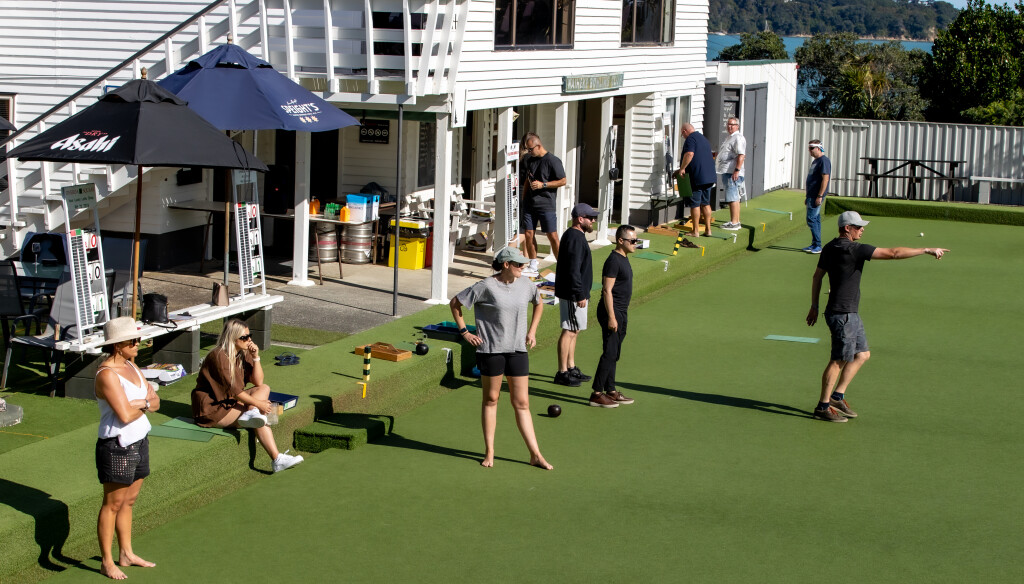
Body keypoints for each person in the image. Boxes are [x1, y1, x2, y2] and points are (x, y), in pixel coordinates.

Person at [806, 211, 949, 422]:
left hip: (847, 313)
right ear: (847, 228)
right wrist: (926, 249)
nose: (862, 229)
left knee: (862, 354)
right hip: (843, 315)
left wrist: (814, 306)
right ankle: (822, 406)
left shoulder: (829, 247)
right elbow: (893, 253)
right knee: (838, 361)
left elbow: (817, 276)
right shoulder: (853, 249)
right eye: (858, 226)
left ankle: (837, 396)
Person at [450, 247, 552, 469]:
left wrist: (532, 331)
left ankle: (535, 454)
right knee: (491, 399)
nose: (523, 267)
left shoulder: (526, 284)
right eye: (519, 264)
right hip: (491, 351)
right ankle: (490, 451)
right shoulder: (486, 286)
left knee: (522, 402)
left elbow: (539, 303)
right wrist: (465, 333)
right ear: (506, 265)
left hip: (518, 350)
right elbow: (455, 303)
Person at [191, 319, 304, 472]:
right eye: (244, 337)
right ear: (232, 338)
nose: (249, 340)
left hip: (230, 401)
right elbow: (235, 392)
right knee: (264, 412)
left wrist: (256, 357)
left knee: (265, 389)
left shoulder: (243, 352)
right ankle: (277, 459)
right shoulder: (218, 356)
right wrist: (259, 404)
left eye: (249, 336)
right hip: (212, 408)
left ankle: (252, 414)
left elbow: (258, 381)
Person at [94, 316, 159, 580]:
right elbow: (123, 414)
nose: (138, 344)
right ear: (117, 345)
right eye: (133, 340)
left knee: (129, 501)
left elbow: (156, 401)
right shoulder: (106, 374)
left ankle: (126, 553)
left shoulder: (132, 365)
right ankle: (107, 562)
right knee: (112, 504)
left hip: (140, 440)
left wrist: (142, 403)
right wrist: (144, 404)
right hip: (116, 447)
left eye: (138, 339)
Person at [589, 225, 639, 408]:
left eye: (636, 240)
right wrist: (612, 316)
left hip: (621, 311)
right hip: (612, 310)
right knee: (610, 352)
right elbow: (606, 290)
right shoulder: (613, 260)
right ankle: (596, 393)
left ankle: (610, 390)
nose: (635, 243)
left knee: (615, 352)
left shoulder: (624, 258)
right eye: (632, 241)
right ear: (620, 241)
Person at [553, 203, 598, 387]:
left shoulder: (576, 236)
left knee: (575, 329)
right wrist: (579, 294)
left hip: (577, 293)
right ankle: (562, 372)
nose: (593, 220)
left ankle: (571, 367)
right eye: (590, 218)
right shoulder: (574, 238)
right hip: (572, 294)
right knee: (569, 330)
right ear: (580, 219)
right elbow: (573, 270)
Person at [521, 132, 567, 271]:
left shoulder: (553, 161)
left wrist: (543, 185)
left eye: (530, 149)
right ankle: (533, 264)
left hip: (546, 204)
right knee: (529, 234)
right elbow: (527, 180)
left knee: (552, 235)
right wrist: (523, 199)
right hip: (529, 204)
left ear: (538, 146)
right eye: (527, 150)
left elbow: (563, 181)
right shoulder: (530, 160)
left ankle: (562, 267)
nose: (529, 152)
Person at [677, 123, 717, 238]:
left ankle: (695, 231)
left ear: (684, 131)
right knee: (706, 203)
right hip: (709, 176)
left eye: (682, 134)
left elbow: (690, 154)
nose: (683, 137)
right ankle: (708, 230)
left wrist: (682, 168)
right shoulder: (703, 139)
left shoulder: (690, 139)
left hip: (697, 177)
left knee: (695, 204)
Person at [716, 117, 746, 231]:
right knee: (733, 197)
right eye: (728, 124)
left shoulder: (738, 137)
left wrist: (736, 170)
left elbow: (741, 155)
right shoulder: (730, 137)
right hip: (727, 171)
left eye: (732, 124)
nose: (730, 126)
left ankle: (734, 223)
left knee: (732, 196)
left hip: (732, 172)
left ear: (737, 126)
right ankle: (735, 221)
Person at [804, 139, 831, 254]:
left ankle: (818, 245)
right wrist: (808, 196)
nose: (809, 151)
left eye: (811, 148)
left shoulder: (824, 161)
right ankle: (815, 244)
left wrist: (819, 195)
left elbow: (825, 179)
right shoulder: (815, 161)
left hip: (816, 195)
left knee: (811, 219)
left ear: (818, 148)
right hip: (811, 194)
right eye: (809, 148)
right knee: (815, 219)